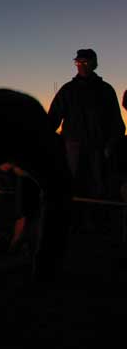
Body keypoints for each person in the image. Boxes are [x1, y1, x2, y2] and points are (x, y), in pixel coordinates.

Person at [48, 49, 125, 229]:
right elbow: (52, 118)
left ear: (94, 63)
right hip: (73, 147)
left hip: (99, 147)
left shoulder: (106, 90)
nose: (81, 66)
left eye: (85, 62)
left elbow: (116, 122)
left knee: (98, 184)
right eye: (78, 62)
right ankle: (73, 221)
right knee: (73, 183)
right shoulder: (68, 90)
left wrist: (112, 144)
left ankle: (98, 222)